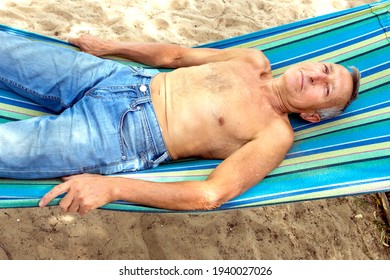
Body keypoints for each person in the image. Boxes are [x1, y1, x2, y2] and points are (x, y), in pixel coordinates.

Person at [0, 31, 360, 215]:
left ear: (311, 116)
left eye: (325, 89)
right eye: (325, 70)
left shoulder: (274, 134)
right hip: (120, 76)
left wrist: (113, 188)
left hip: (123, 136)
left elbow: (211, 195)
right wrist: (110, 46)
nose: (316, 78)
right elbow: (174, 56)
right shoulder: (252, 59)